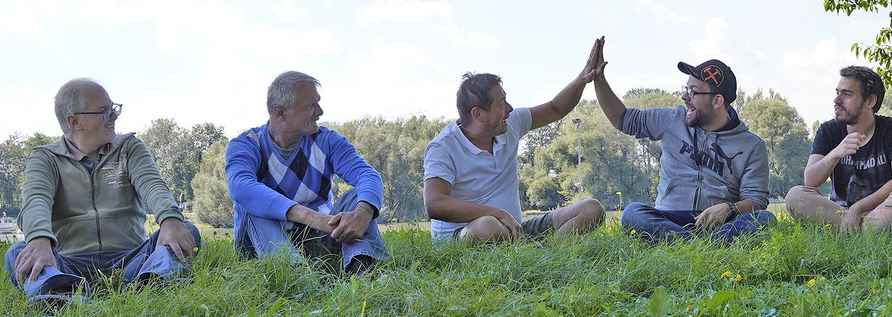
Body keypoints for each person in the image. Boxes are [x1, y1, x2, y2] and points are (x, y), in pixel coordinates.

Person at [5, 78, 201, 306]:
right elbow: (36, 201)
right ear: (74, 121)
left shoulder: (129, 148)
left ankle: (152, 284)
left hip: (131, 259)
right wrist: (38, 239)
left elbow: (152, 184)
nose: (114, 116)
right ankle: (64, 294)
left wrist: (169, 219)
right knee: (18, 251)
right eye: (104, 111)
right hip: (68, 264)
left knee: (185, 229)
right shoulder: (45, 158)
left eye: (113, 109)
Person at [423, 38, 608, 244]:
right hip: (464, 235)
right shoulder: (443, 147)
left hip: (515, 230)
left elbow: (556, 108)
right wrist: (497, 214)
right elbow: (434, 204)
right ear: (478, 114)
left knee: (592, 209)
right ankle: (524, 252)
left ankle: (543, 256)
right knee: (488, 226)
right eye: (502, 103)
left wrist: (582, 78)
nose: (510, 108)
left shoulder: (510, 124)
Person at [594, 56, 775, 243]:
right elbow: (624, 119)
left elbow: (756, 201)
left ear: (717, 101)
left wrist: (729, 208)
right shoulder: (672, 119)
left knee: (764, 219)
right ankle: (703, 247)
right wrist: (599, 79)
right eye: (686, 89)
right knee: (633, 213)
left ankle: (684, 244)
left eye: (693, 92)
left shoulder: (752, 145)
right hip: (669, 218)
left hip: (720, 223)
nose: (684, 96)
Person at [226, 71, 386, 274]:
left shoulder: (328, 141)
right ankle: (294, 278)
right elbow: (240, 187)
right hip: (265, 244)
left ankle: (362, 272)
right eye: (309, 106)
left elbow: (367, 175)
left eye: (317, 103)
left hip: (320, 237)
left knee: (357, 197)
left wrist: (364, 211)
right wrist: (311, 217)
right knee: (253, 206)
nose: (319, 111)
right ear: (280, 112)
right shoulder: (247, 145)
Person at [785, 66, 892, 232]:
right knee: (795, 195)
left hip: (881, 210)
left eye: (847, 94)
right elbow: (810, 181)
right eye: (837, 92)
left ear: (869, 101)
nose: (837, 100)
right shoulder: (828, 131)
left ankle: (850, 229)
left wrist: (857, 209)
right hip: (839, 212)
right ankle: (863, 230)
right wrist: (835, 153)